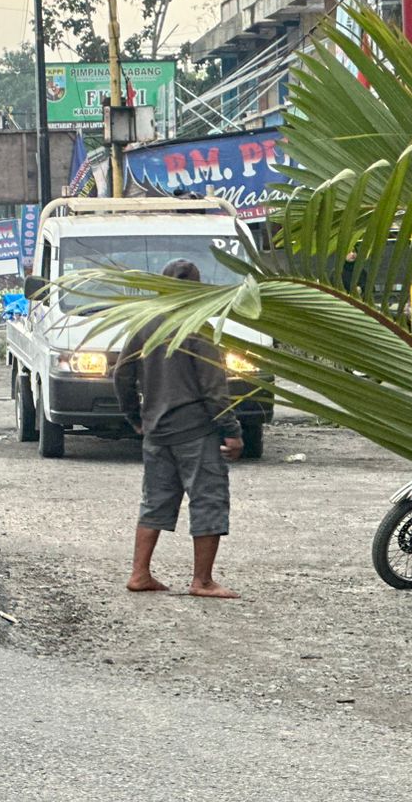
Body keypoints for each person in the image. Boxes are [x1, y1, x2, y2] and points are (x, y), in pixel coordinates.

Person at [113, 257, 243, 600]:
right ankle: (202, 581)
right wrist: (231, 430)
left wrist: (135, 418)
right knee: (208, 500)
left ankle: (139, 573)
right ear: (197, 287)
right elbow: (214, 387)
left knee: (154, 502)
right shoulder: (197, 326)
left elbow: (121, 375)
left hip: (156, 431)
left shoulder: (144, 324)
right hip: (195, 431)